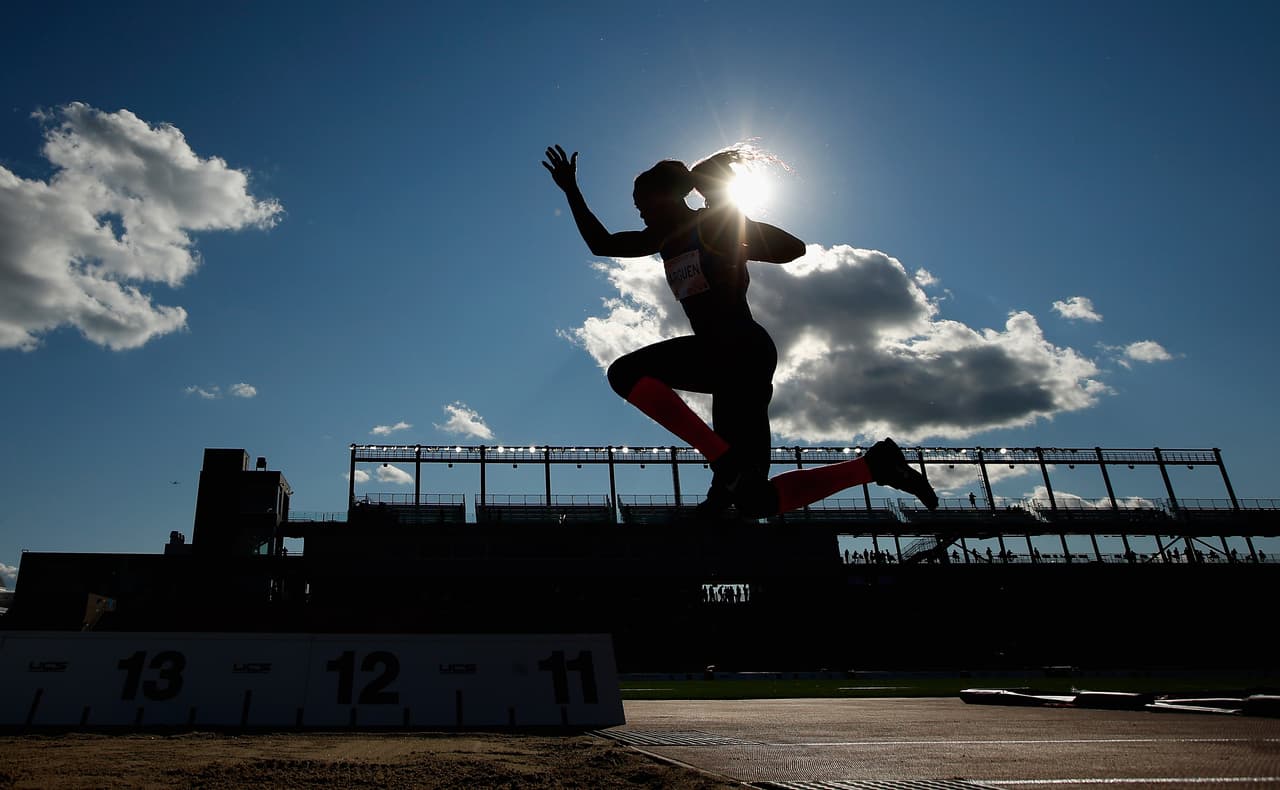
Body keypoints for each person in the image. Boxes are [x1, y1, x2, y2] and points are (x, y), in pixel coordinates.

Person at [543, 144, 937, 518]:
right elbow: (602, 243)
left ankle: (725, 465)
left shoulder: (713, 225)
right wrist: (571, 190)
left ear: (666, 197)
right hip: (727, 366)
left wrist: (732, 220)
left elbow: (793, 248)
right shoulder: (662, 238)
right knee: (754, 501)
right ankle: (874, 467)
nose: (640, 214)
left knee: (624, 373)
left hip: (740, 348)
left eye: (642, 205)